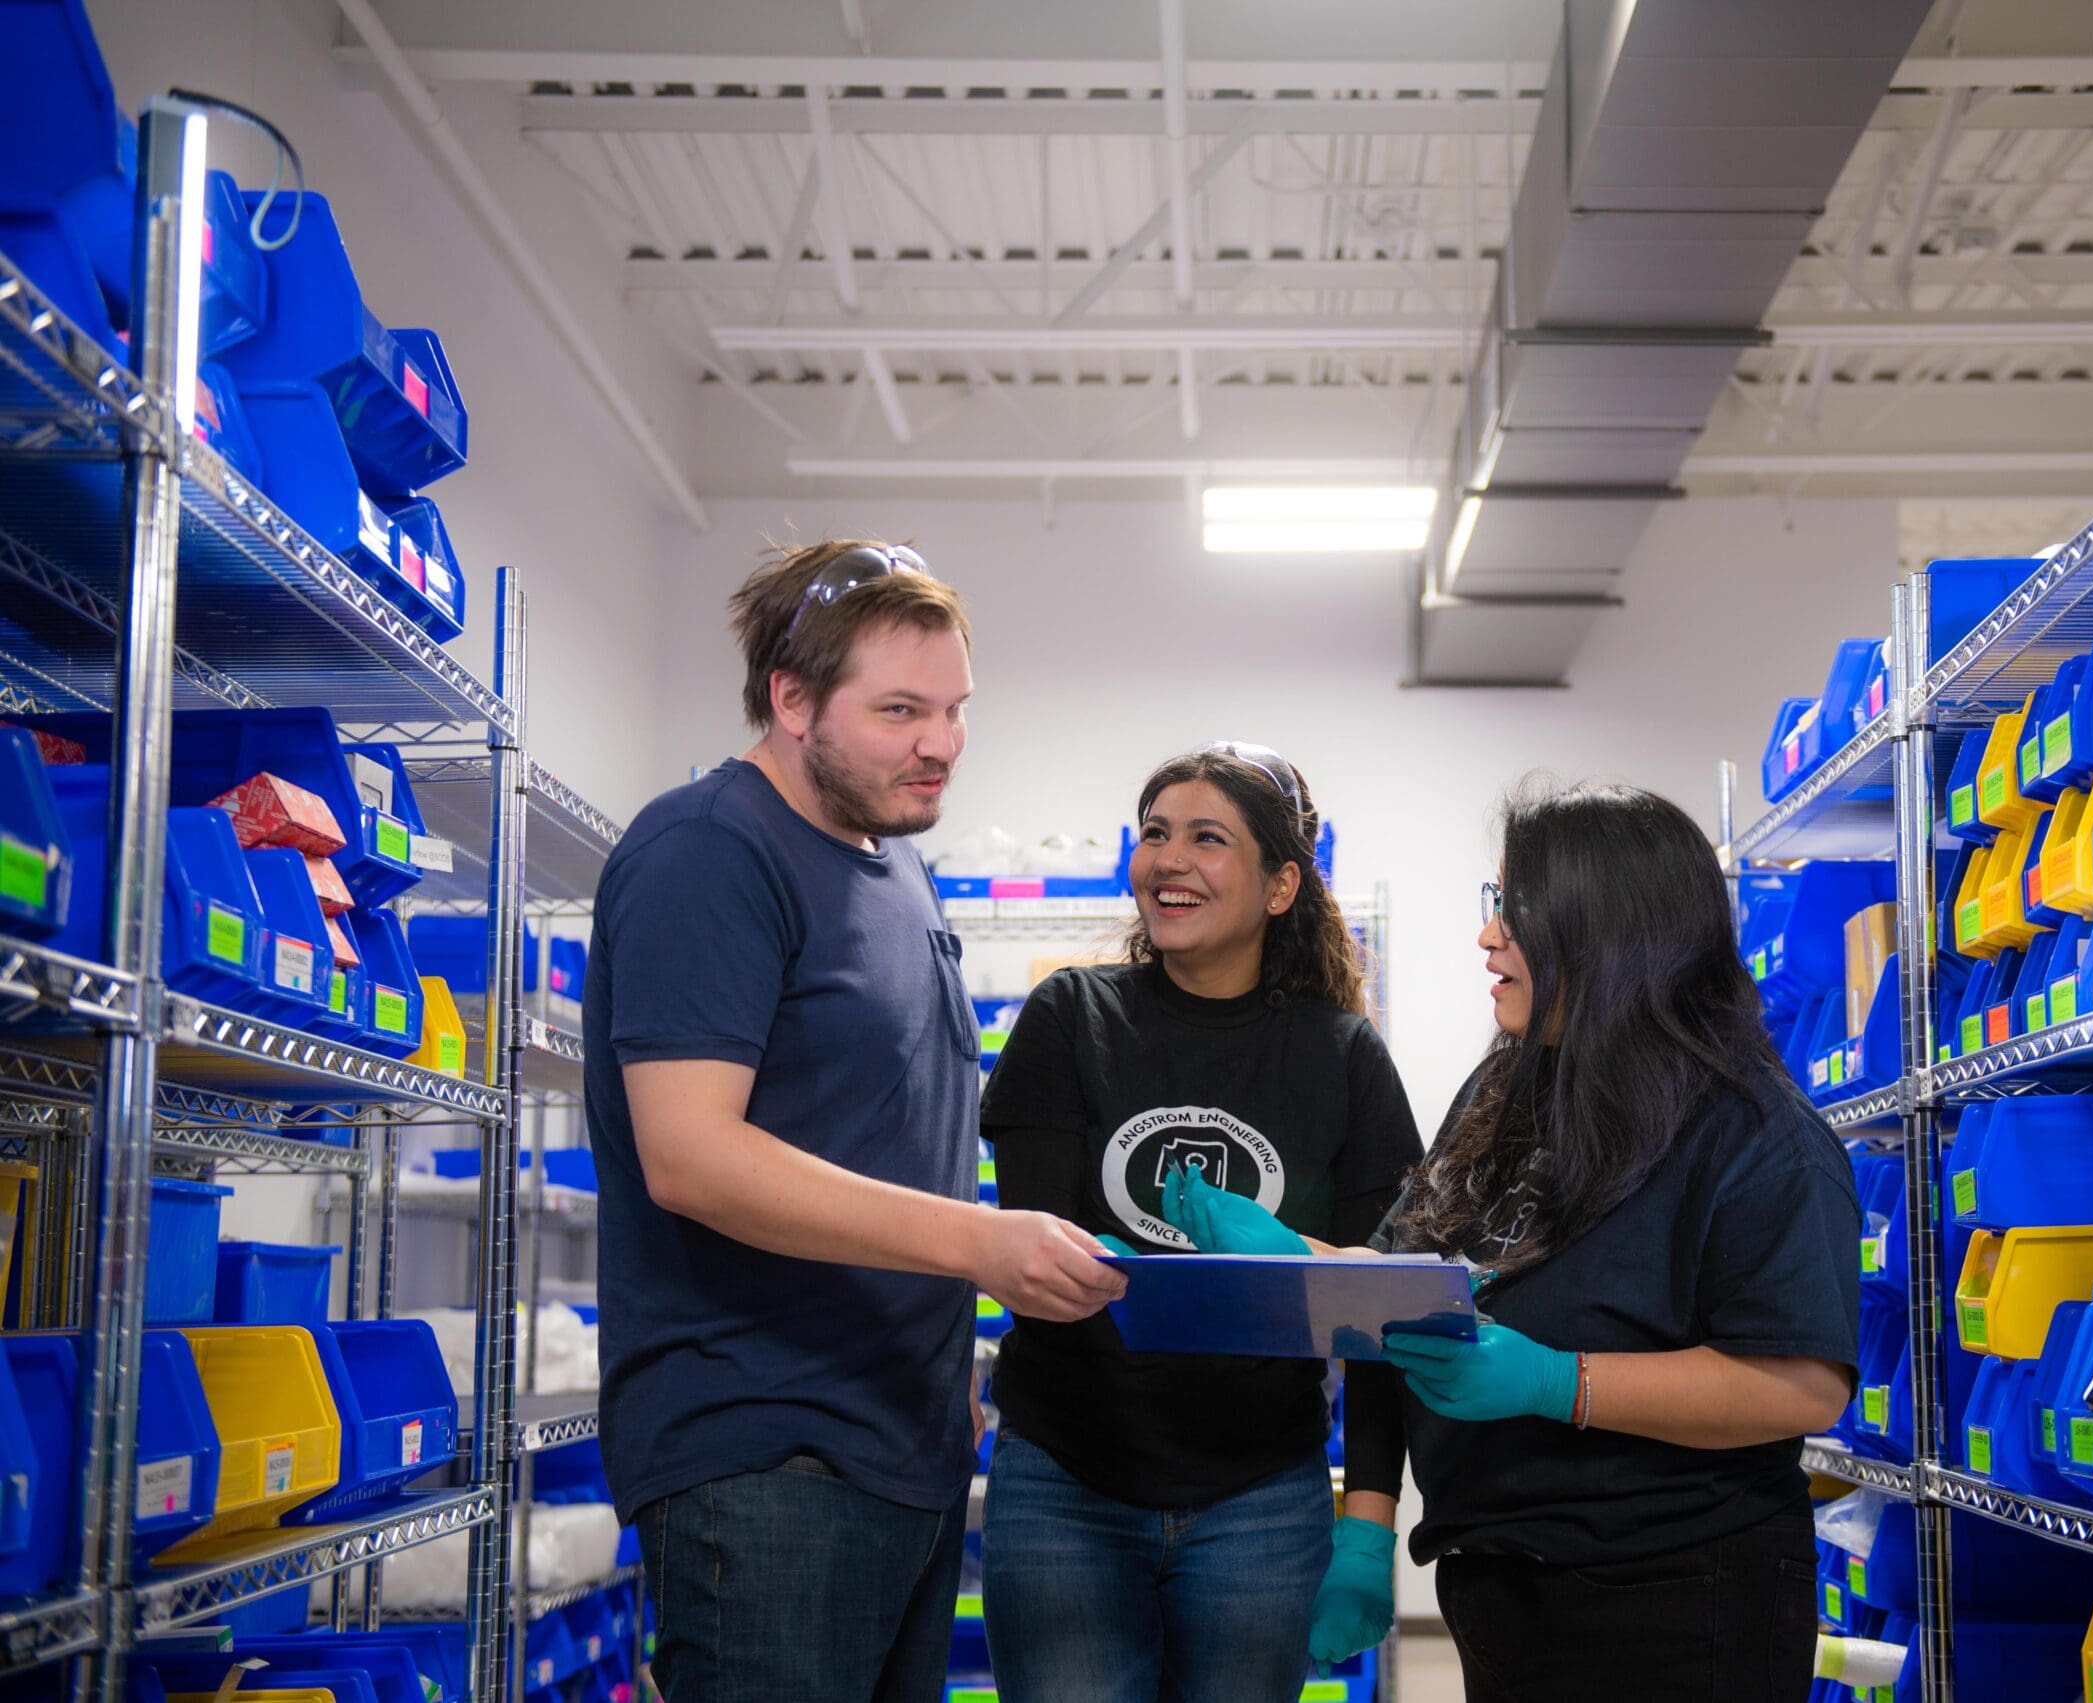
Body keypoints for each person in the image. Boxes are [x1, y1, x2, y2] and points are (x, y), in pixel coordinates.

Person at [1175, 781, 1860, 1702]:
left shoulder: (1752, 1133)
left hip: (1672, 1595)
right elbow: (1421, 1276)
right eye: (1493, 905)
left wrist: (1558, 1381)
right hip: (1504, 1584)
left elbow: (1801, 1385)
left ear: (1610, 927)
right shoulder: (1511, 1089)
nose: (1489, 936)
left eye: (1516, 908)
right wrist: (1301, 1257)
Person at [584, 540, 1125, 1703]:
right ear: (789, 698)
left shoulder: (890, 861)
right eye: (898, 709)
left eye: (953, 709)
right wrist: (980, 1246)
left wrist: (943, 1358)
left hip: (897, 1439)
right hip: (764, 1449)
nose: (940, 742)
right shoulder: (708, 852)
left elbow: (882, 1126)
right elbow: (690, 1154)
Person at [977, 743, 1424, 1703]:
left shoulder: (1342, 1057)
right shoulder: (1070, 1017)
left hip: (1260, 1493)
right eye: (1154, 833)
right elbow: (1042, 1269)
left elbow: (1386, 1314)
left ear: (1279, 886)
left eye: (1207, 838)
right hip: (1069, 1480)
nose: (1168, 858)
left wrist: (1369, 1527)